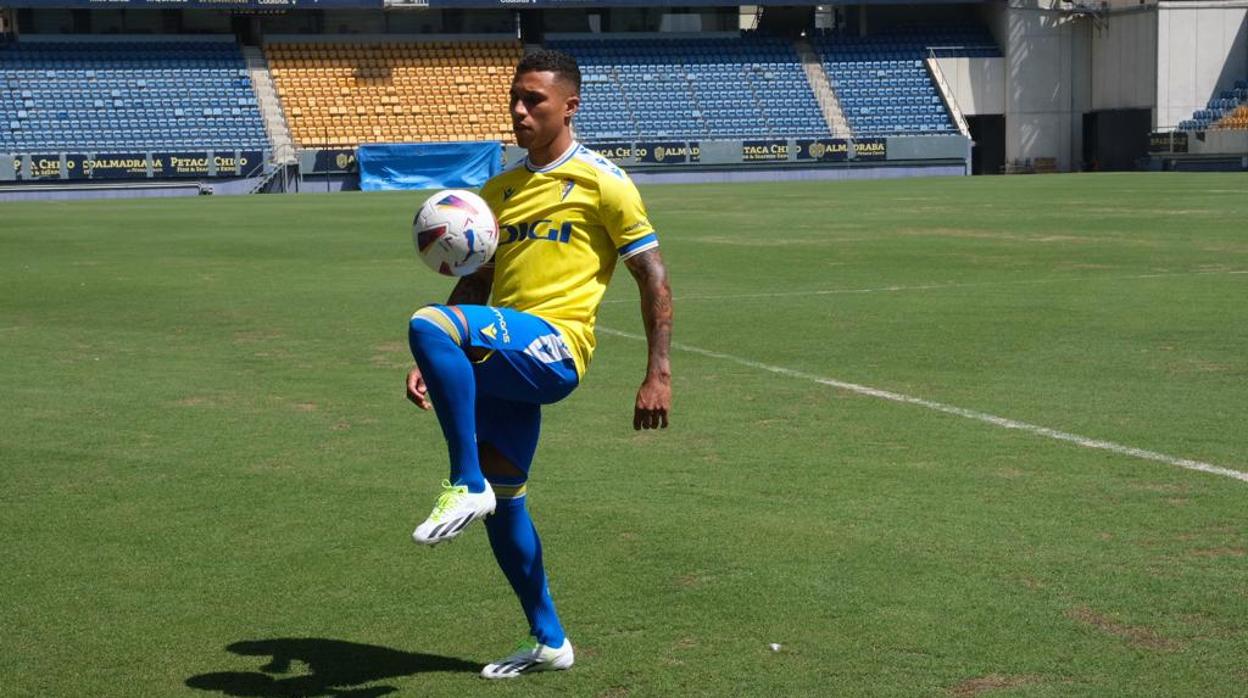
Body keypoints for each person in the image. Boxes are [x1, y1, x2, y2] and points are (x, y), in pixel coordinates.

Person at [403, 49, 673, 680]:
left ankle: (461, 481)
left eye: (535, 101)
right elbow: (478, 281)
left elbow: (652, 276)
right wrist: (435, 357)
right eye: (515, 101)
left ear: (570, 106)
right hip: (504, 350)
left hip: (555, 348)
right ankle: (549, 640)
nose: (519, 112)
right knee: (507, 500)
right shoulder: (496, 192)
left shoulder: (604, 182)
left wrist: (657, 372)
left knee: (424, 322)